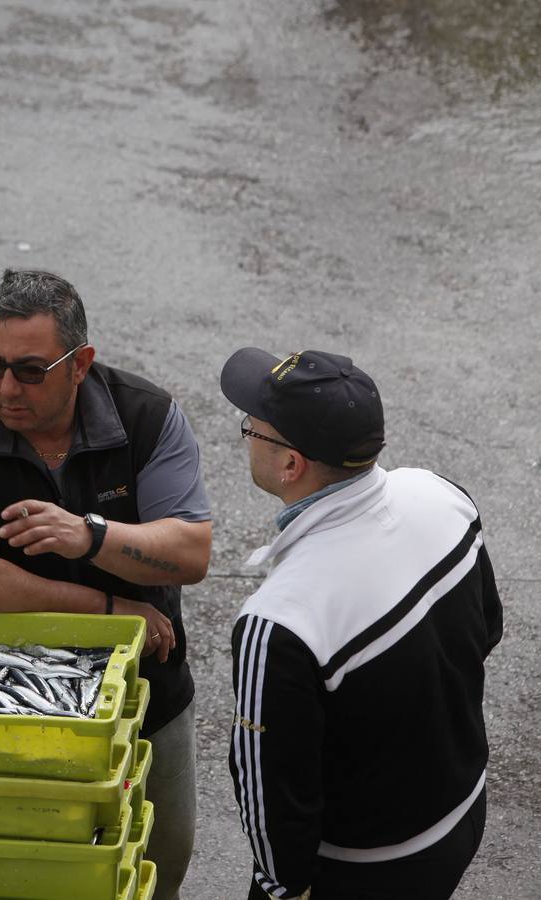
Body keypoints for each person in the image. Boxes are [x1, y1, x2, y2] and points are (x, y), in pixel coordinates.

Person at [0, 269, 212, 900]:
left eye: (30, 369)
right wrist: (108, 608)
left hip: (143, 694)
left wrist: (91, 536)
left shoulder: (148, 417)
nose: (6, 388)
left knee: (158, 862)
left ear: (81, 364)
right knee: (18, 876)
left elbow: (189, 551)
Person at [220, 347, 503, 900]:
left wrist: (283, 888)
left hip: (363, 870)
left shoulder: (278, 621)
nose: (247, 430)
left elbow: (271, 793)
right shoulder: (442, 497)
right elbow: (484, 631)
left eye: (253, 428)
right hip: (464, 813)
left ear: (290, 463)